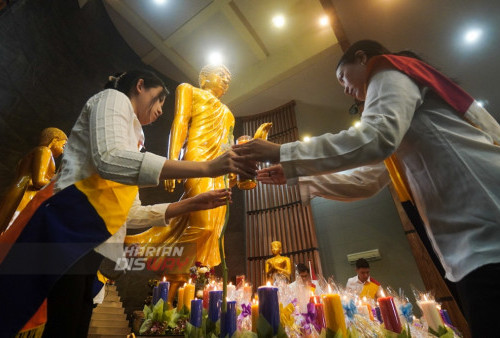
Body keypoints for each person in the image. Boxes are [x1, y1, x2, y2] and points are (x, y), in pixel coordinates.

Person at [233, 40, 500, 337]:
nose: (344, 88)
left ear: (362, 58)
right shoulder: (400, 119)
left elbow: (375, 138)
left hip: (484, 217)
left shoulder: (388, 72)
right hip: (469, 241)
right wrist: (297, 174)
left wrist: (282, 152)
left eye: (343, 77)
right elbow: (367, 180)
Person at [0, 69, 255, 338]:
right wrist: (203, 168)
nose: (159, 111)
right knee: (65, 319)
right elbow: (109, 160)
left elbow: (131, 213)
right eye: (158, 100)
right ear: (140, 86)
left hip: (92, 240)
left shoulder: (133, 144)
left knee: (76, 318)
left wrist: (193, 204)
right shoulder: (112, 99)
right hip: (71, 224)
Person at [125, 64, 238, 269]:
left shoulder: (228, 114)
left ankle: (194, 280)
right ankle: (173, 270)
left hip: (219, 169)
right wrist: (173, 162)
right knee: (203, 226)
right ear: (204, 77)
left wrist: (231, 172)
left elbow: (227, 145)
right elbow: (180, 122)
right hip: (197, 159)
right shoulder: (189, 90)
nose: (225, 80)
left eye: (228, 78)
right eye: (221, 74)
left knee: (214, 231)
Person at [0, 127, 68, 234]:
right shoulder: (45, 151)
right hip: (26, 193)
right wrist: (58, 185)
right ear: (54, 140)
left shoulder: (33, 153)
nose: (63, 150)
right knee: (12, 230)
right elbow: (39, 181)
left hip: (16, 188)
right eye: (63, 145)